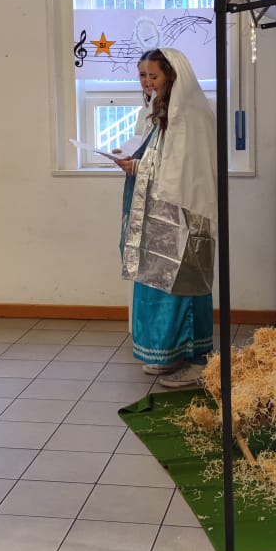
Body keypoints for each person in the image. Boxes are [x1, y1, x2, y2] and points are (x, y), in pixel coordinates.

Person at [115, 48, 217, 387]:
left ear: (172, 76)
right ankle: (167, 355)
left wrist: (136, 167)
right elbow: (155, 157)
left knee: (183, 285)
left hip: (185, 217)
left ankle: (196, 360)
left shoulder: (189, 115)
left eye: (153, 75)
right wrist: (129, 158)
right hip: (158, 217)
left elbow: (181, 174)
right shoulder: (156, 110)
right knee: (157, 282)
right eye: (142, 75)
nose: (146, 81)